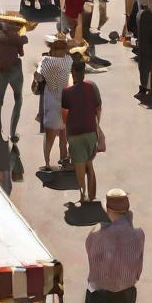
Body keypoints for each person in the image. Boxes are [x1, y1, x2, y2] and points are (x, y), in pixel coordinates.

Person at [62, 56, 102, 203]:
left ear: (73, 73)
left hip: (75, 133)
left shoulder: (67, 92)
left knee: (79, 167)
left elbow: (65, 114)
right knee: (89, 165)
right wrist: (96, 125)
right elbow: (98, 108)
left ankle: (82, 195)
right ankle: (92, 196)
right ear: (84, 72)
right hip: (91, 131)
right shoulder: (92, 87)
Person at [0, 16, 27, 142]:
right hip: (15, 70)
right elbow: (21, 54)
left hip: (2, 71)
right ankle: (12, 133)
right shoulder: (16, 37)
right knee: (18, 99)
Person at [37, 33, 71, 171]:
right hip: (65, 101)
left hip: (51, 102)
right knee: (64, 135)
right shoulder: (68, 60)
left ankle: (47, 162)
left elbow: (38, 78)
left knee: (49, 136)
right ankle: (64, 159)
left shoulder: (46, 61)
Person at [135, 0, 152, 96]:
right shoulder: (149, 14)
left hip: (145, 47)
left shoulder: (142, 14)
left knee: (145, 68)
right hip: (151, 46)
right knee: (150, 67)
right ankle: (150, 86)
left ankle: (146, 87)